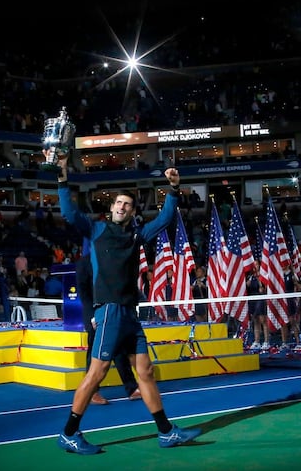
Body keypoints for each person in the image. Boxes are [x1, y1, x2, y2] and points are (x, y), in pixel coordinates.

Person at [52, 155, 201, 454]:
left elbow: (165, 220)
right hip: (108, 311)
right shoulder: (96, 230)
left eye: (127, 204)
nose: (121, 207)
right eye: (118, 203)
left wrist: (172, 190)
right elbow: (69, 212)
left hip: (129, 315)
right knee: (96, 374)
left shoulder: (137, 236)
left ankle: (166, 432)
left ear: (132, 211)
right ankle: (69, 434)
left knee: (144, 371)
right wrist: (62, 177)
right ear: (111, 208)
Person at [77, 238, 140, 405]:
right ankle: (92, 391)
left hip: (112, 314)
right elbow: (84, 294)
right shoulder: (83, 263)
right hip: (94, 317)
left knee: (120, 352)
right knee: (94, 354)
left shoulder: (111, 261)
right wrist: (92, 316)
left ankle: (132, 388)